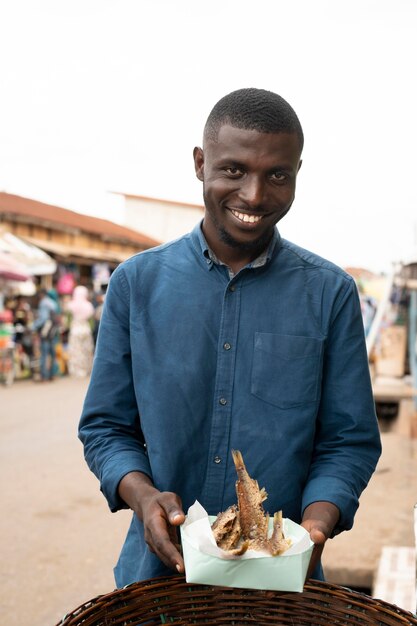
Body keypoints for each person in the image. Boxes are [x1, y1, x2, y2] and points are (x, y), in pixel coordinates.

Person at [79, 88, 381, 588]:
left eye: (277, 175)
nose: (255, 195)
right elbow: (106, 427)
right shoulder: (136, 284)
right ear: (201, 164)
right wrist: (143, 496)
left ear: (297, 173)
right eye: (234, 170)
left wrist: (316, 526)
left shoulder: (331, 293)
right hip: (157, 579)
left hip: (286, 585)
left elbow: (348, 441)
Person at [66, 285, 94, 378]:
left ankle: (76, 371)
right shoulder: (89, 305)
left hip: (75, 329)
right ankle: (86, 370)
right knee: (86, 350)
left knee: (76, 351)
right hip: (85, 329)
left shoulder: (70, 305)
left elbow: (68, 320)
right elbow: (91, 321)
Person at [32, 288, 59, 381]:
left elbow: (43, 318)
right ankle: (53, 374)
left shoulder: (43, 303)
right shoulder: (53, 303)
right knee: (52, 353)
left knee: (44, 353)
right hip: (53, 331)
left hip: (45, 331)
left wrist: (33, 326)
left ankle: (44, 376)